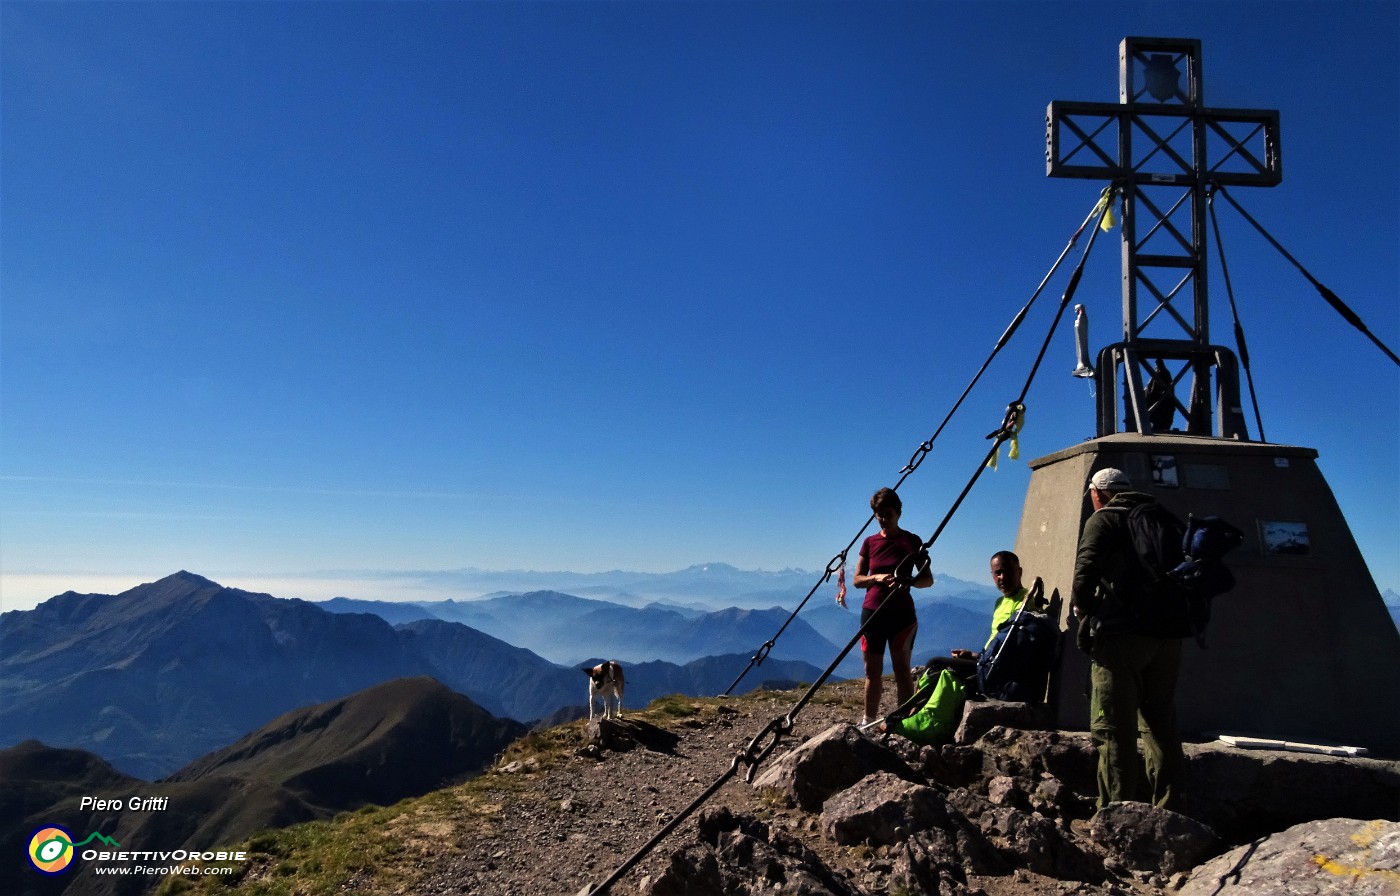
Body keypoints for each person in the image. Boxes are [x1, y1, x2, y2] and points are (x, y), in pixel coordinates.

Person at [1071, 467, 1185, 812]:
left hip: (1120, 636)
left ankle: (1117, 813)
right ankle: (1169, 807)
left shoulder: (1104, 519)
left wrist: (1086, 611)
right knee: (1159, 721)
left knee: (1113, 727)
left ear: (1097, 493)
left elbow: (1085, 570)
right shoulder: (1163, 518)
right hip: (1168, 635)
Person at [841, 487, 932, 726]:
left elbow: (927, 579)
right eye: (879, 514)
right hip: (873, 613)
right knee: (872, 672)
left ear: (899, 512)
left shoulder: (912, 541)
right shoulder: (869, 543)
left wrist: (906, 582)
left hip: (902, 614)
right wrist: (878, 578)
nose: (883, 518)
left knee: (902, 670)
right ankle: (868, 721)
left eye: (888, 514)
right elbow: (857, 580)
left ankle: (904, 720)